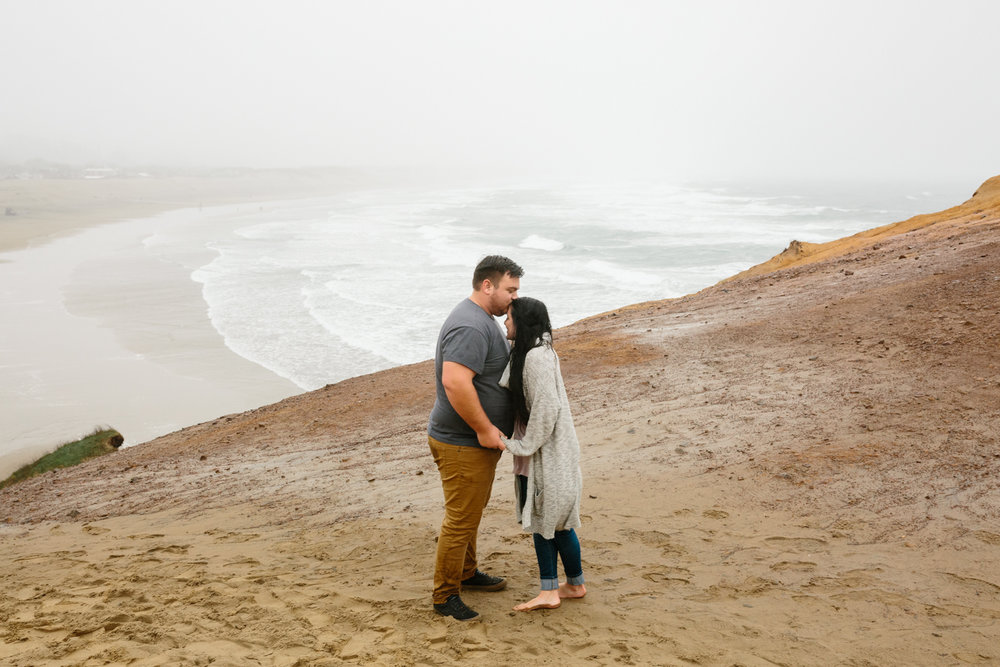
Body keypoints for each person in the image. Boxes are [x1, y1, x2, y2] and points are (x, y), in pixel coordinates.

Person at [428, 254, 523, 620]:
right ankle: (444, 596)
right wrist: (484, 428)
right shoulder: (471, 325)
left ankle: (466, 573)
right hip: (462, 442)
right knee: (461, 519)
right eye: (509, 289)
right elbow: (455, 381)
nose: (513, 298)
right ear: (487, 286)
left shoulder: (482, 319)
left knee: (469, 512)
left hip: (468, 441)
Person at [500, 296, 586, 611]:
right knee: (561, 523)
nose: (505, 323)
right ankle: (575, 584)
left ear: (522, 323)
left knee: (542, 521)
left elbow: (547, 408)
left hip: (542, 455)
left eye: (509, 318)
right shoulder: (538, 351)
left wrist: (520, 445)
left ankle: (549, 592)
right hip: (552, 450)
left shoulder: (536, 357)